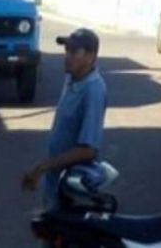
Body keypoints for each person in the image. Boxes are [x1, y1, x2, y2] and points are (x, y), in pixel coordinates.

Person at [22, 28, 107, 210]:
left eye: (74, 52)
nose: (67, 56)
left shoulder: (93, 90)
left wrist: (42, 167)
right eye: (67, 50)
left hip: (73, 190)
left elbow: (88, 150)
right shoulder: (72, 78)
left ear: (91, 57)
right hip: (56, 183)